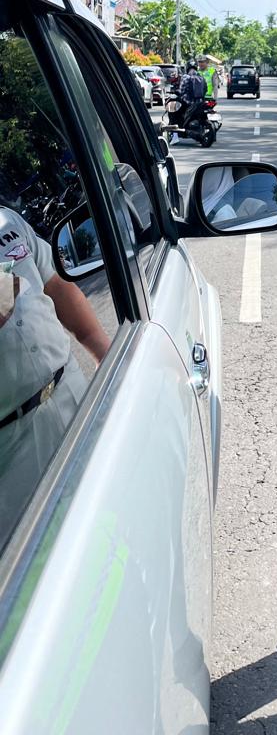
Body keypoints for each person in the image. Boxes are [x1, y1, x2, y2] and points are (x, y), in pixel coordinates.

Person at [1, 206, 111, 545]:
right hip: (11, 444)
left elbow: (57, 287)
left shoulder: (6, 221)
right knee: (48, 551)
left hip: (73, 389)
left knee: (113, 502)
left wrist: (105, 354)